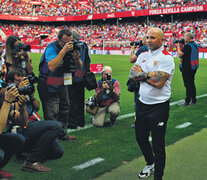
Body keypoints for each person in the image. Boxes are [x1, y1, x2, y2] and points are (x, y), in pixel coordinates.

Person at [129, 28, 175, 180]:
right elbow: (132, 75)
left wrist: (142, 74)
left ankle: (158, 177)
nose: (148, 40)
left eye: (153, 38)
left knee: (158, 145)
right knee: (140, 138)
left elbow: (159, 82)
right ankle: (150, 163)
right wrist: (150, 74)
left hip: (159, 106)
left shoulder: (166, 58)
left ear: (162, 40)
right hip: (142, 104)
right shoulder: (143, 55)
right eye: (147, 37)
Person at [6, 67, 64, 172]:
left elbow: (37, 107)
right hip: (19, 129)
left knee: (58, 152)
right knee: (56, 126)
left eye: (23, 80)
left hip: (32, 127)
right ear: (10, 82)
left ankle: (25, 150)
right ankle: (31, 161)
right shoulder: (9, 94)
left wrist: (31, 95)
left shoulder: (25, 91)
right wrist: (19, 93)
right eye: (18, 81)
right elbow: (15, 114)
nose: (22, 83)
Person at [38, 29, 82, 140]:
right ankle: (52, 138)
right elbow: (52, 67)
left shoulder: (71, 49)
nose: (68, 45)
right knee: (52, 112)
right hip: (48, 84)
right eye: (65, 42)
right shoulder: (51, 48)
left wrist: (77, 59)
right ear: (59, 40)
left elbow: (79, 67)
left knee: (65, 108)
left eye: (70, 42)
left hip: (62, 83)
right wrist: (63, 51)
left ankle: (62, 134)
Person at [67, 30, 91, 129]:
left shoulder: (69, 46)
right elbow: (88, 60)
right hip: (81, 75)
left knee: (70, 100)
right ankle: (81, 120)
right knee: (80, 99)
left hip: (69, 75)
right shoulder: (85, 46)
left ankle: (72, 122)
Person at [0, 85, 25, 178]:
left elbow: (23, 122)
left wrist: (23, 108)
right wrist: (7, 102)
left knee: (18, 139)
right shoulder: (5, 102)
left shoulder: (3, 102)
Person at [176, 32, 199, 106]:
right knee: (192, 83)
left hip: (187, 68)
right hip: (194, 67)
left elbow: (179, 55)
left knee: (188, 85)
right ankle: (194, 100)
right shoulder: (195, 45)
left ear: (188, 37)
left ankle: (187, 101)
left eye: (185, 36)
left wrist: (178, 46)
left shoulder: (187, 46)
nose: (184, 38)